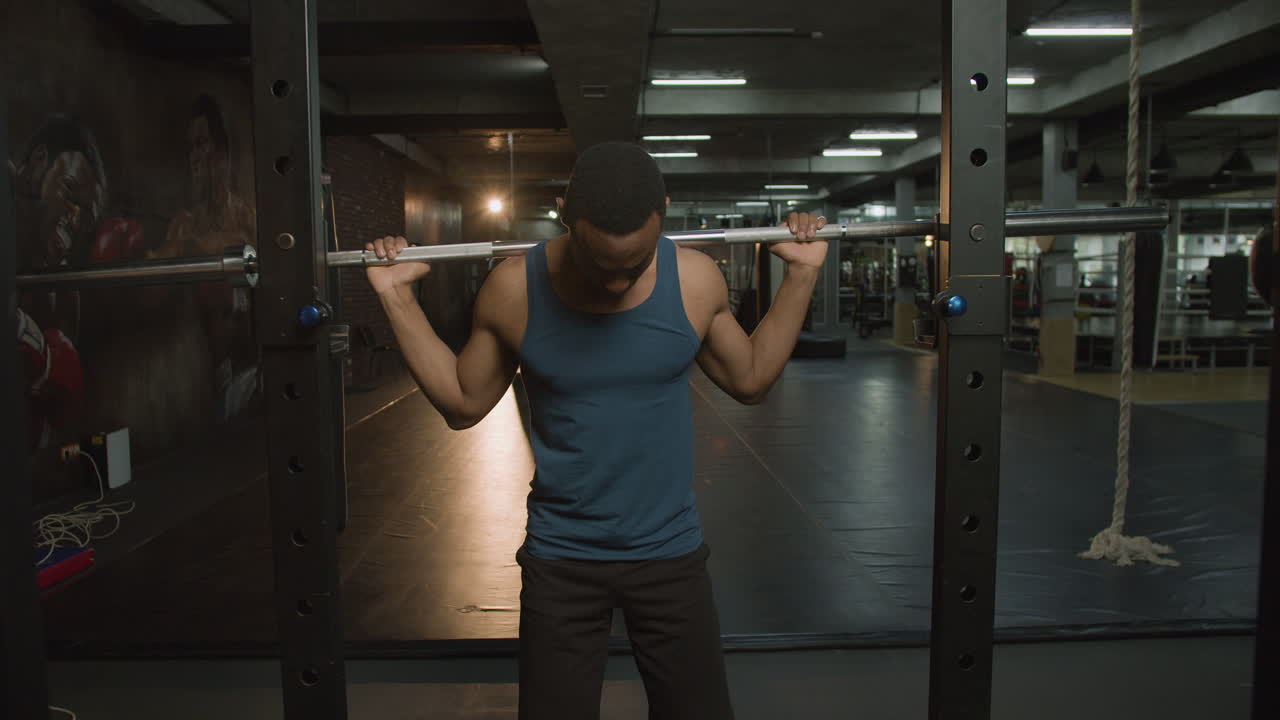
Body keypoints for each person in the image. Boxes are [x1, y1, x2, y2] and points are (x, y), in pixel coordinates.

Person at [365, 141, 828, 720]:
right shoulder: (514, 289)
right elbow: (463, 403)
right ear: (564, 215)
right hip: (562, 560)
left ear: (663, 213)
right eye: (599, 263)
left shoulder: (694, 280)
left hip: (669, 555)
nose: (615, 283)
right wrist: (396, 297)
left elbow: (752, 378)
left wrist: (802, 277)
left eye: (634, 265)